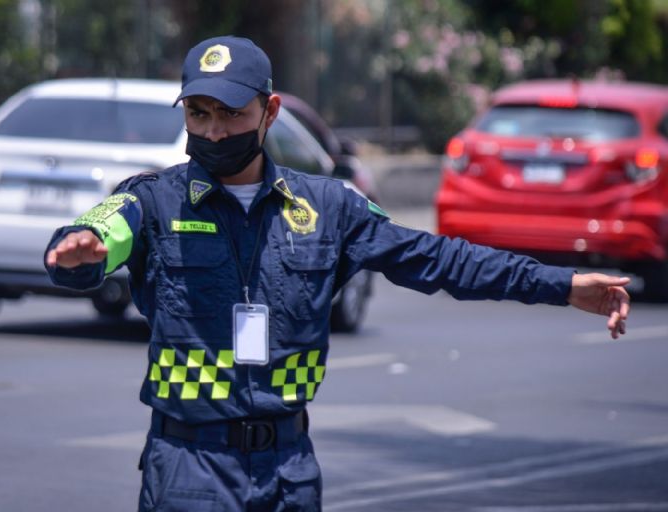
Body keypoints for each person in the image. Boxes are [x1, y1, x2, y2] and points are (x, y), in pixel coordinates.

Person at [44, 35, 630, 512]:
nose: (214, 132)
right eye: (199, 115)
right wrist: (77, 255)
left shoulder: (329, 207)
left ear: (270, 112)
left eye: (231, 114)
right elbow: (97, 237)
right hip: (188, 471)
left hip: (289, 471)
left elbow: (438, 260)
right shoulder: (153, 200)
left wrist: (561, 284)